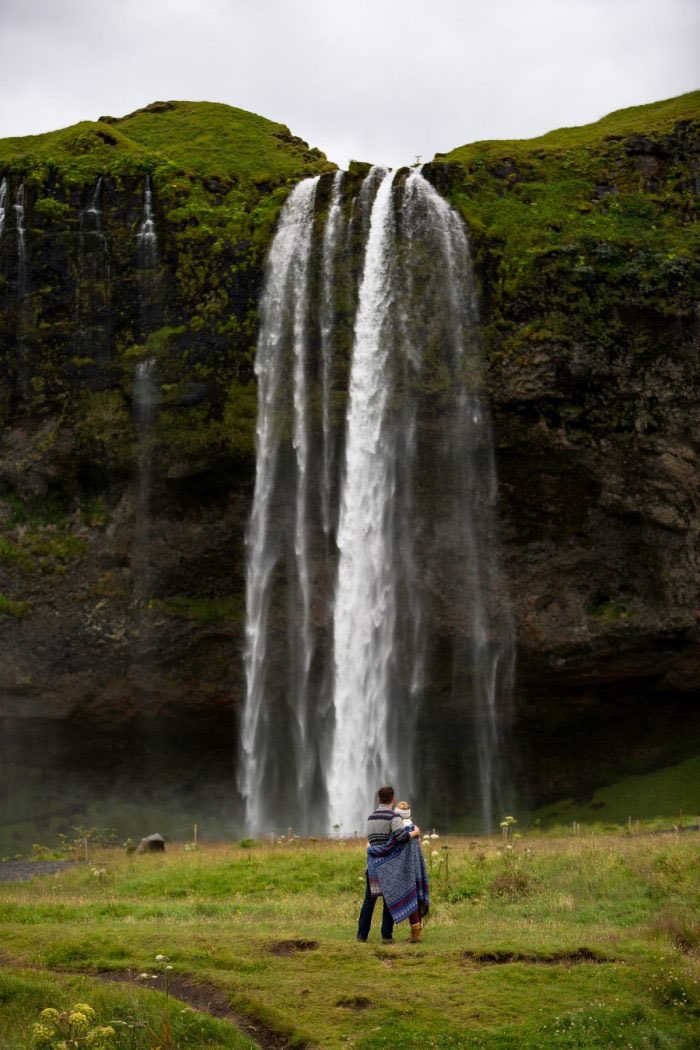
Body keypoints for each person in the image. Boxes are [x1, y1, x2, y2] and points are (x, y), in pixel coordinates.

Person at [356, 785, 424, 943]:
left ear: (378, 799)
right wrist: (415, 833)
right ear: (393, 799)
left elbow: (372, 841)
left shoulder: (371, 817)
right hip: (388, 866)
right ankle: (386, 935)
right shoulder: (394, 818)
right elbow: (401, 837)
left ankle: (361, 935)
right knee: (389, 900)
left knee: (369, 900)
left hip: (372, 865)